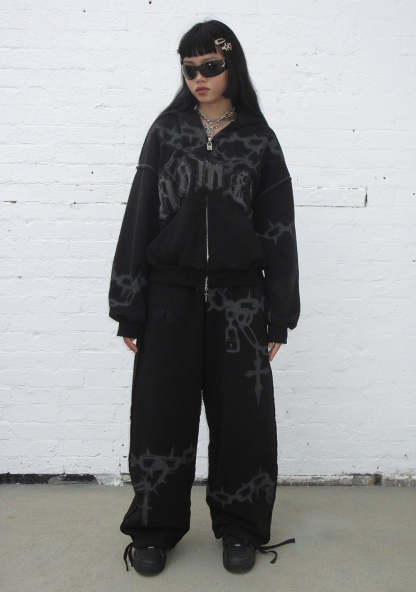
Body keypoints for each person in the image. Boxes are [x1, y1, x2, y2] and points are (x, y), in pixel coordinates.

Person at [108, 19, 300, 576]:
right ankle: (153, 529)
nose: (199, 77)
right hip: (170, 298)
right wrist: (129, 305)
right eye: (189, 68)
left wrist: (278, 315)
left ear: (231, 67)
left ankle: (240, 527)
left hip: (241, 302)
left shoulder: (258, 140)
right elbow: (139, 218)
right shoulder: (165, 132)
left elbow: (279, 231)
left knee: (244, 422)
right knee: (159, 416)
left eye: (210, 66)